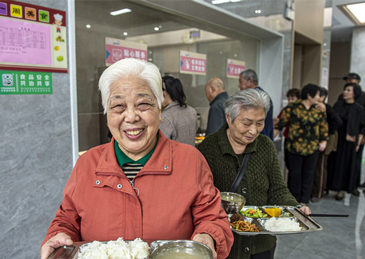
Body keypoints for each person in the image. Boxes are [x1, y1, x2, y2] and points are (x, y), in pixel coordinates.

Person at [40, 59, 234, 259]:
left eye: (143, 104)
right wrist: (58, 236)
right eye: (118, 106)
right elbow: (67, 220)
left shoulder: (190, 160)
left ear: (159, 111)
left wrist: (208, 235)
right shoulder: (87, 163)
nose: (131, 117)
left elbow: (212, 217)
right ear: (107, 115)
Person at [197, 89, 311, 259]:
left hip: (261, 244)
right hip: (224, 243)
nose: (253, 130)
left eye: (260, 123)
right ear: (229, 118)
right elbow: (200, 199)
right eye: (247, 123)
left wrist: (294, 208)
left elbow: (277, 189)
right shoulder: (208, 149)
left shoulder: (265, 146)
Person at [274, 84, 329, 205]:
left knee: (309, 175)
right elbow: (280, 124)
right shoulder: (292, 107)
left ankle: (304, 201)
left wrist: (324, 141)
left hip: (312, 148)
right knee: (295, 175)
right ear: (309, 95)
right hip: (294, 148)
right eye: (318, 95)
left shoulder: (318, 109)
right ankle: (293, 202)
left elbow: (324, 127)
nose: (319, 97)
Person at [327, 83, 365, 205]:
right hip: (337, 138)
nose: (345, 92)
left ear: (355, 93)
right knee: (333, 161)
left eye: (348, 90)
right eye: (345, 89)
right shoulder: (338, 105)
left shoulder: (359, 109)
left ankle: (342, 190)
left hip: (350, 140)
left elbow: (362, 126)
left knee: (347, 164)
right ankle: (329, 186)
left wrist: (359, 140)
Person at [311, 87, 342, 203]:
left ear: (322, 97)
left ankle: (319, 193)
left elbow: (337, 121)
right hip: (316, 141)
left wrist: (326, 134)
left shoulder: (327, 108)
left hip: (325, 141)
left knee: (321, 167)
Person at [340, 73, 365, 190]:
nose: (349, 81)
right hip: (342, 135)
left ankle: (353, 185)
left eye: (351, 80)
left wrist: (362, 136)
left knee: (355, 160)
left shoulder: (363, 98)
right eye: (347, 80)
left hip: (356, 134)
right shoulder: (341, 98)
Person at [159, 76, 197, 146]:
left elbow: (161, 146)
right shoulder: (192, 111)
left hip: (175, 156)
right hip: (192, 155)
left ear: (163, 94)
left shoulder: (166, 117)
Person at [238, 69, 274, 140]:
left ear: (250, 81)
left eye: (240, 82)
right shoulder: (263, 95)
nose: (239, 85)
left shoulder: (254, 98)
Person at [273, 88, 301, 171]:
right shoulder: (286, 110)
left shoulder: (302, 112)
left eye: (293, 99)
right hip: (288, 140)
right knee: (290, 165)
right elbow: (278, 125)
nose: (290, 101)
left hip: (299, 141)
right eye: (288, 99)